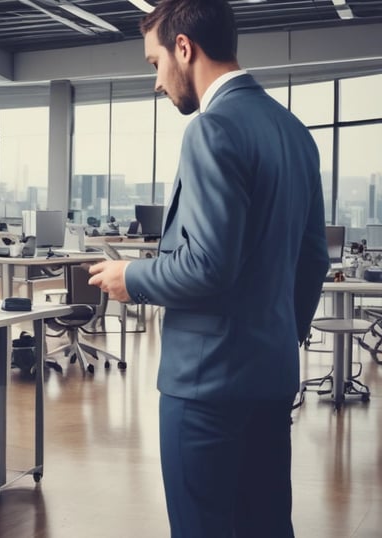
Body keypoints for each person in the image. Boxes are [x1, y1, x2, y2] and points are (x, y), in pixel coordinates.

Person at [87, 1, 328, 537]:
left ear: (183, 48)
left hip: (205, 389)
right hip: (269, 379)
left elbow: (207, 267)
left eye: (154, 64)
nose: (156, 82)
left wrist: (131, 277)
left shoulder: (212, 129)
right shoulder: (294, 133)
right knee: (266, 526)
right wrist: (280, 338)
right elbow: (313, 259)